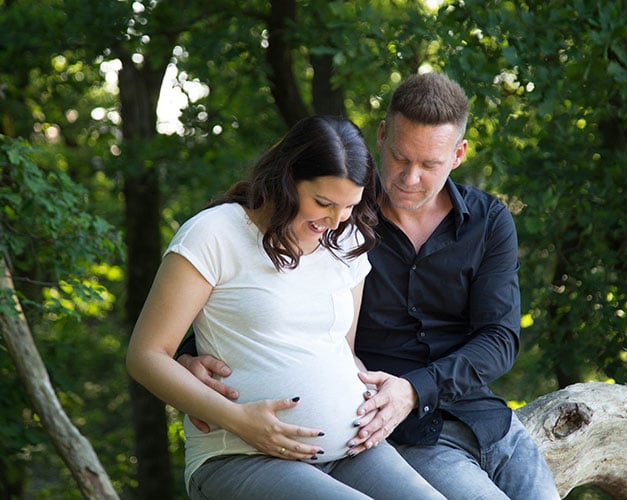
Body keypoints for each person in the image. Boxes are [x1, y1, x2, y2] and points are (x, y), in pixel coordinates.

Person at [179, 74, 560, 499]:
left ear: (458, 155)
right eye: (400, 158)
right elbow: (259, 300)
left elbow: (500, 338)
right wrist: (187, 355)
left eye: (429, 164)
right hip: (405, 436)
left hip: (486, 421)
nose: (410, 178)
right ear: (381, 135)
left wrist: (416, 388)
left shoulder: (488, 221)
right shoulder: (336, 218)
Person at [127, 115, 445, 499]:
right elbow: (146, 355)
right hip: (242, 453)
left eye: (348, 206)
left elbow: (340, 352)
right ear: (288, 177)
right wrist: (238, 420)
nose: (334, 220)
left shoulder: (346, 239)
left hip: (352, 451)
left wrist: (375, 402)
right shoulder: (214, 234)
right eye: (323, 203)